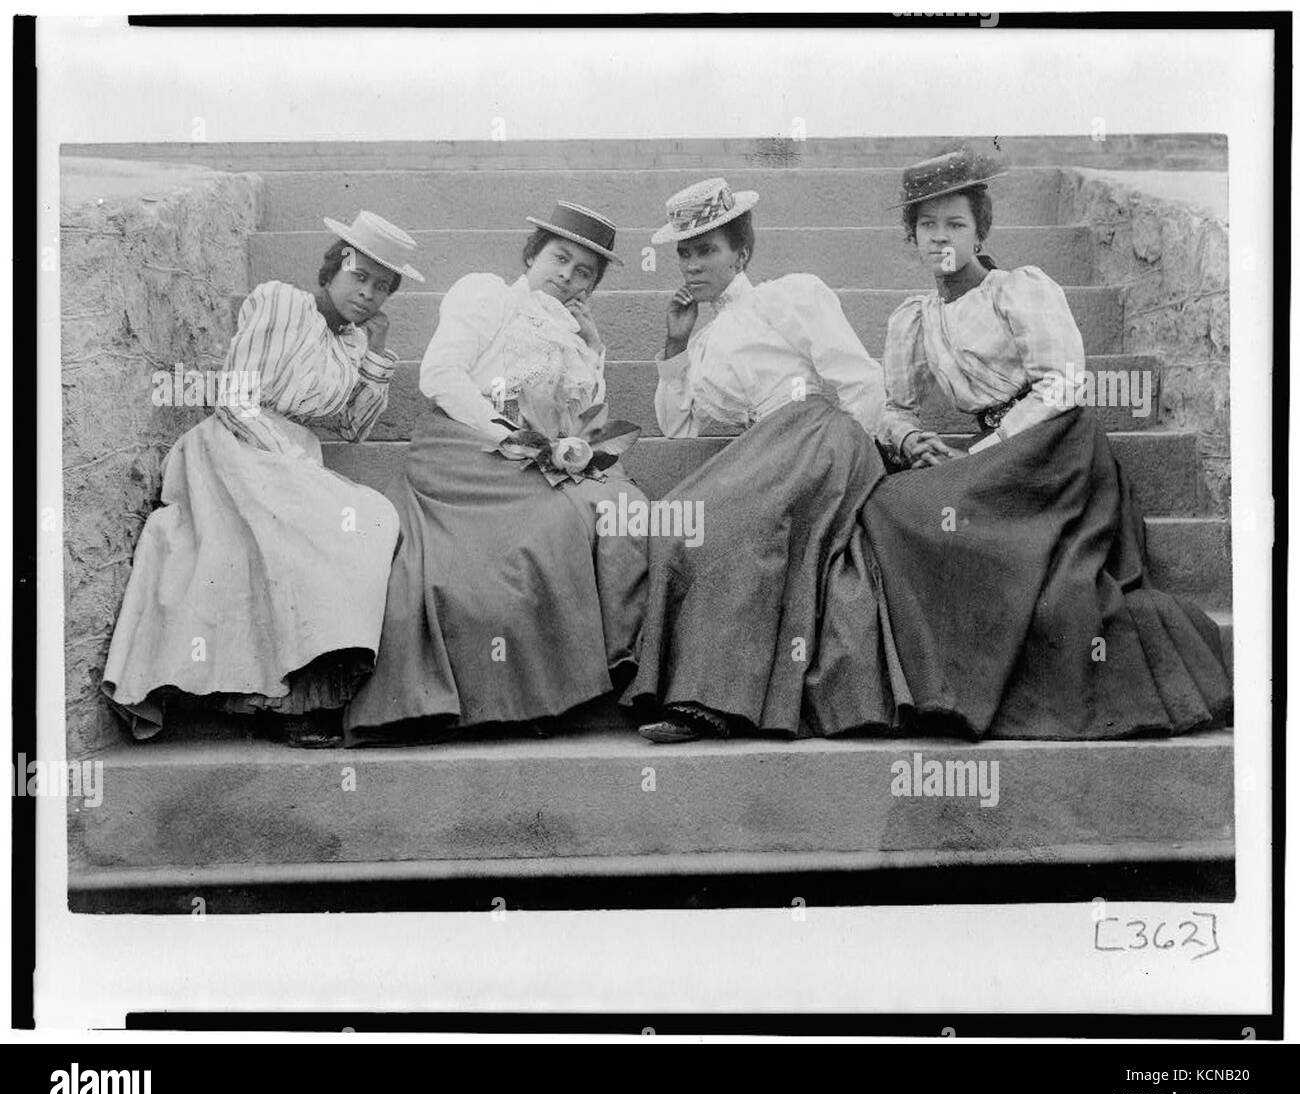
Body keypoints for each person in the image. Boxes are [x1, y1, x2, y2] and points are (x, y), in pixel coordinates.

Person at [865, 142, 1232, 738]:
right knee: (888, 504)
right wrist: (911, 442)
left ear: (979, 228)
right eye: (927, 225)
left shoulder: (1019, 289)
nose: (941, 237)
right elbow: (895, 406)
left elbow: (1062, 385)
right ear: (912, 236)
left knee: (1051, 581)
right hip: (994, 453)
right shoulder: (914, 318)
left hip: (1054, 444)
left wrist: (985, 452)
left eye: (955, 223)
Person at [101, 210, 424, 745]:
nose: (368, 294)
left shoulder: (351, 345)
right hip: (235, 442)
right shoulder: (281, 301)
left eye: (382, 287)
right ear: (332, 269)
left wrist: (377, 357)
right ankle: (278, 701)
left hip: (289, 457)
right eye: (360, 276)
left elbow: (352, 427)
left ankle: (300, 690)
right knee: (327, 524)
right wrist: (288, 464)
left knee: (371, 520)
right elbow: (236, 394)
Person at [344, 202, 649, 744]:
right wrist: (505, 435)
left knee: (609, 508)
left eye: (583, 272)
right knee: (519, 548)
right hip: (466, 448)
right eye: (559, 258)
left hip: (535, 457)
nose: (566, 276)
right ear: (532, 254)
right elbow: (440, 374)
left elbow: (585, 414)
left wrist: (594, 349)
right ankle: (500, 697)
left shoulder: (572, 330)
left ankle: (606, 671)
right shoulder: (486, 295)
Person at [626, 177, 900, 742]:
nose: (693, 265)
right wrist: (676, 348)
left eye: (708, 250)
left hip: (818, 433)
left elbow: (860, 377)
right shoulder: (703, 342)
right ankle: (693, 690)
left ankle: (713, 701)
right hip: (763, 447)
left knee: (734, 523)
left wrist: (866, 461)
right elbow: (680, 427)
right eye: (685, 253)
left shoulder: (789, 295)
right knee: (682, 515)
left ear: (741, 253)